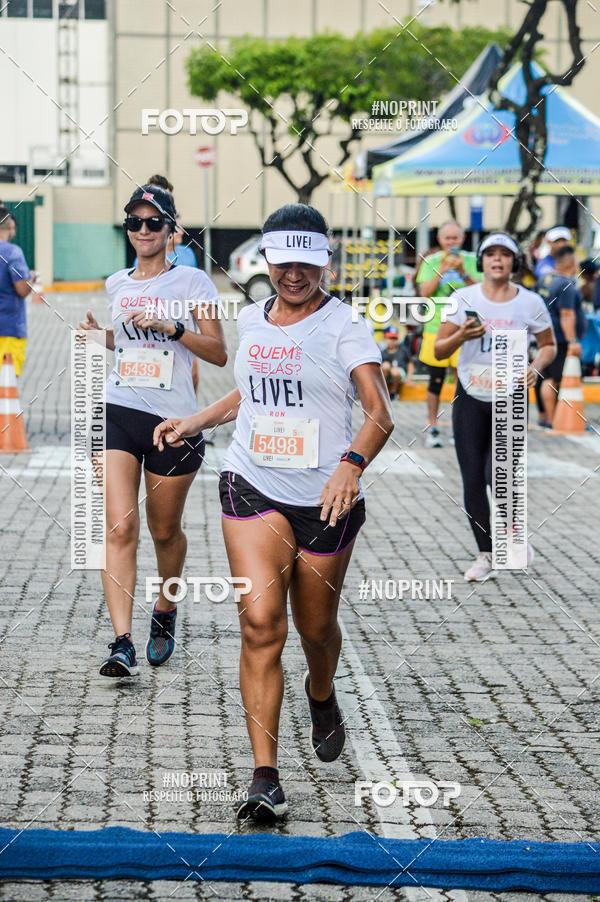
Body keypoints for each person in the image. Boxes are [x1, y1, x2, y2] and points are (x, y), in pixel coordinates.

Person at [154, 203, 393, 821]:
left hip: (326, 498)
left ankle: (321, 692)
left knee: (315, 629)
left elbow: (379, 412)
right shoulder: (250, 319)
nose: (294, 274)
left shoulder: (345, 326)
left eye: (307, 264)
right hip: (252, 482)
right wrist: (197, 420)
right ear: (266, 259)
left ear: (326, 262)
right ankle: (265, 776)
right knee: (261, 623)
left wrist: (351, 464)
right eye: (284, 262)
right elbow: (252, 393)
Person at [78, 183, 227, 678]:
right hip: (118, 410)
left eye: (153, 222)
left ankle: (165, 606)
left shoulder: (193, 283)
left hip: (173, 423)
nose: (143, 230)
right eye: (134, 222)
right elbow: (127, 343)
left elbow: (217, 352)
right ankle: (121, 642)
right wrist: (98, 337)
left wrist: (172, 329)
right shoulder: (116, 283)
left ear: (171, 230)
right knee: (120, 527)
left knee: (165, 532)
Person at [434, 233, 556, 582]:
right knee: (472, 478)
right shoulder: (462, 298)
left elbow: (549, 345)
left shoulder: (530, 302)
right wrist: (461, 336)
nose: (497, 260)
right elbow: (440, 350)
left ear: (514, 262)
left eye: (505, 254)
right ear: (481, 261)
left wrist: (535, 367)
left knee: (497, 475)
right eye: (491, 254)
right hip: (471, 394)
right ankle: (486, 553)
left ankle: (514, 533)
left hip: (511, 396)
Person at [416, 221, 480, 448]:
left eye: (455, 238)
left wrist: (462, 271)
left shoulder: (472, 259)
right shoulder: (431, 261)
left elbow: (481, 291)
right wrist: (441, 270)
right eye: (447, 238)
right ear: (440, 239)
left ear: (462, 239)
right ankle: (433, 426)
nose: (451, 242)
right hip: (436, 327)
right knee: (436, 380)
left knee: (462, 380)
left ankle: (459, 427)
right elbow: (424, 292)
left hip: (465, 329)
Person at [535, 245, 586, 427]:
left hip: (544, 336)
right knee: (554, 380)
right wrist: (573, 341)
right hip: (560, 340)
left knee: (545, 377)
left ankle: (545, 416)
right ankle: (554, 420)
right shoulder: (566, 285)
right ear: (572, 262)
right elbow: (567, 315)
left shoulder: (544, 279)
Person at [0, 206, 35, 377]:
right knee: (6, 385)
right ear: (10, 225)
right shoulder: (13, 252)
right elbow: (22, 289)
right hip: (9, 330)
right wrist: (31, 279)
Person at [381, 325, 413, 399]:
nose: (392, 340)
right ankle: (384, 391)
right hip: (387, 375)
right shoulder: (382, 352)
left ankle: (394, 392)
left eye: (394, 338)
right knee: (385, 365)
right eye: (390, 338)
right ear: (385, 339)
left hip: (400, 374)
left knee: (395, 371)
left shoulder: (403, 350)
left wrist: (409, 378)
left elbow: (410, 363)